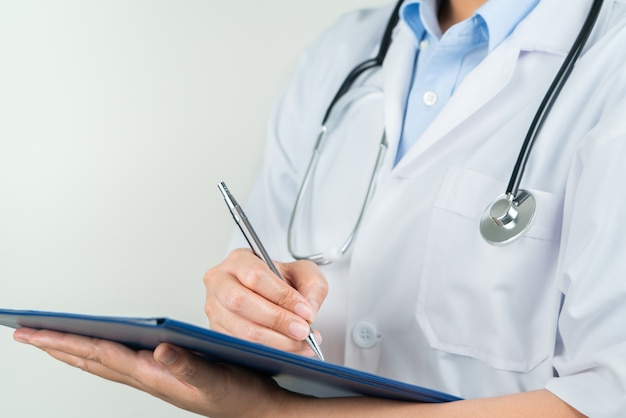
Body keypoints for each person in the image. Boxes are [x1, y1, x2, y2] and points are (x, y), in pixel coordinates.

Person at [13, 0, 626, 416]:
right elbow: (269, 281)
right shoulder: (342, 54)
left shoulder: (612, 62)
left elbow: (607, 396)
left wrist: (276, 413)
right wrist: (245, 311)